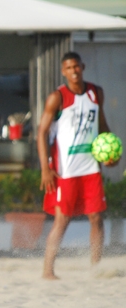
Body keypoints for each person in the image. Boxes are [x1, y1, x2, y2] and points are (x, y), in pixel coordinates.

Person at [38, 52, 115, 280]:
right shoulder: (57, 97)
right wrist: (45, 168)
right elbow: (41, 133)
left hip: (90, 167)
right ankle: (48, 270)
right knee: (62, 220)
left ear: (83, 66)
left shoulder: (95, 93)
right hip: (66, 170)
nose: (74, 71)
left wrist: (111, 152)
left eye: (76, 66)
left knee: (96, 218)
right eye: (69, 68)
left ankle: (96, 268)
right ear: (64, 71)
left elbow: (103, 127)